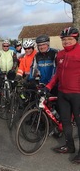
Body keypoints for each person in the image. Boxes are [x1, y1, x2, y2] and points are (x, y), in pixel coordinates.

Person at [45, 27, 80, 164]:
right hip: (63, 93)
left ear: (76, 39)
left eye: (69, 39)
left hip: (77, 94)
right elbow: (58, 74)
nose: (66, 42)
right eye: (64, 39)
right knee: (65, 122)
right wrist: (48, 86)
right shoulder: (60, 54)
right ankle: (70, 146)